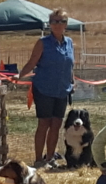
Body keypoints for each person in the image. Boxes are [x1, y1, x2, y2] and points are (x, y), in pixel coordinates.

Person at [17, 9, 76, 169]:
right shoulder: (42, 43)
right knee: (44, 123)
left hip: (63, 90)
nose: (58, 24)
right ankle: (38, 159)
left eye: (62, 21)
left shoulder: (69, 43)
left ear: (66, 24)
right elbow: (32, 62)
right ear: (50, 24)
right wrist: (19, 76)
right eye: (55, 21)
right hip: (44, 88)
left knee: (56, 124)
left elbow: (70, 65)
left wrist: (72, 81)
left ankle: (50, 158)